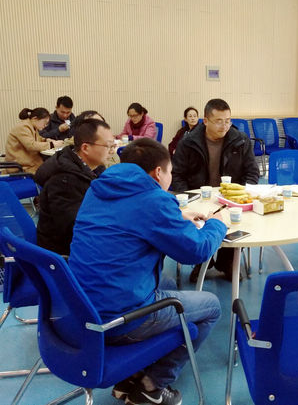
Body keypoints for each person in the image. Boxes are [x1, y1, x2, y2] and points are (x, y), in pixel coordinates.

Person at [69, 138, 226, 405]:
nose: (171, 177)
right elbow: (196, 251)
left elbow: (129, 217)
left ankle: (131, 375)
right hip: (117, 318)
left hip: (81, 308)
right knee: (211, 306)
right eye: (171, 172)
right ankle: (152, 386)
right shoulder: (153, 200)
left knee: (167, 283)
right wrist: (217, 225)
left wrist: (176, 215)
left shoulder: (99, 189)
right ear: (158, 172)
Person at [171, 98, 259, 281]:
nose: (224, 126)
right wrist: (187, 200)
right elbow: (177, 174)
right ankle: (204, 259)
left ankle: (228, 261)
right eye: (219, 121)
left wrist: (242, 195)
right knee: (196, 222)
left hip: (230, 200)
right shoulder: (188, 142)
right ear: (205, 120)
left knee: (239, 221)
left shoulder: (240, 140)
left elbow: (252, 172)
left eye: (228, 121)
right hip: (197, 198)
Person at [35, 118, 114, 256]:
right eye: (108, 146)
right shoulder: (64, 180)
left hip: (82, 242)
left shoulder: (91, 168)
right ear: (85, 148)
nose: (112, 151)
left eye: (113, 146)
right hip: (66, 253)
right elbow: (74, 227)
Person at [5, 108, 63, 174]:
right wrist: (52, 144)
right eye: (44, 123)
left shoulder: (32, 127)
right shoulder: (23, 127)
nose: (45, 126)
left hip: (29, 163)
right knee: (54, 172)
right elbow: (31, 145)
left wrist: (46, 140)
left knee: (54, 169)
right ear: (35, 118)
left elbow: (37, 139)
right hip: (21, 167)